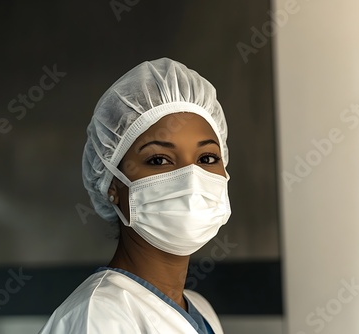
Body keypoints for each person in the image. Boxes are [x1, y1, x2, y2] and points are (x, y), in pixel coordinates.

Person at [38, 58, 231, 334]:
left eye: (207, 157)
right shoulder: (98, 317)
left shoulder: (201, 311)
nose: (191, 178)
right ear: (112, 186)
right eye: (159, 160)